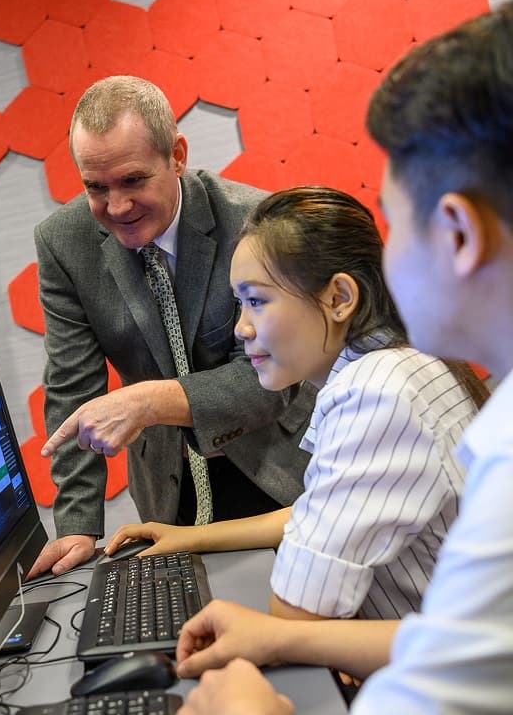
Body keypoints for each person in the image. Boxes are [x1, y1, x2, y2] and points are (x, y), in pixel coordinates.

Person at [174, 2, 513, 715]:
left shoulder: (374, 388)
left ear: (458, 233)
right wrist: (273, 629)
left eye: (397, 223)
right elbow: (468, 640)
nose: (242, 327)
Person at [107, 186, 486, 623]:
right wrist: (190, 538)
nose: (241, 328)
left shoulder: (373, 396)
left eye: (256, 301)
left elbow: (295, 615)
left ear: (339, 298)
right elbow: (316, 514)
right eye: (239, 304)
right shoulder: (403, 361)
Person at [28, 76, 316, 577]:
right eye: (96, 187)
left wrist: (148, 402)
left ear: (177, 156)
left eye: (133, 180)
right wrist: (77, 523)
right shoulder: (64, 243)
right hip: (168, 487)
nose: (117, 206)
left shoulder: (255, 222)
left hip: (278, 468)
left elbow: (272, 378)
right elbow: (72, 387)